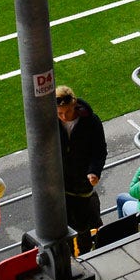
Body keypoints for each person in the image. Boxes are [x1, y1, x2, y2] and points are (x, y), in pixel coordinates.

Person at [47, 85, 112, 248]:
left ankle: (88, 251)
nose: (64, 116)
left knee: (85, 227)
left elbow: (99, 151)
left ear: (75, 105)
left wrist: (94, 171)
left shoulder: (91, 121)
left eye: (67, 111)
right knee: (62, 230)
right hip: (60, 186)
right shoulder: (51, 123)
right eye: (59, 113)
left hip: (82, 186)